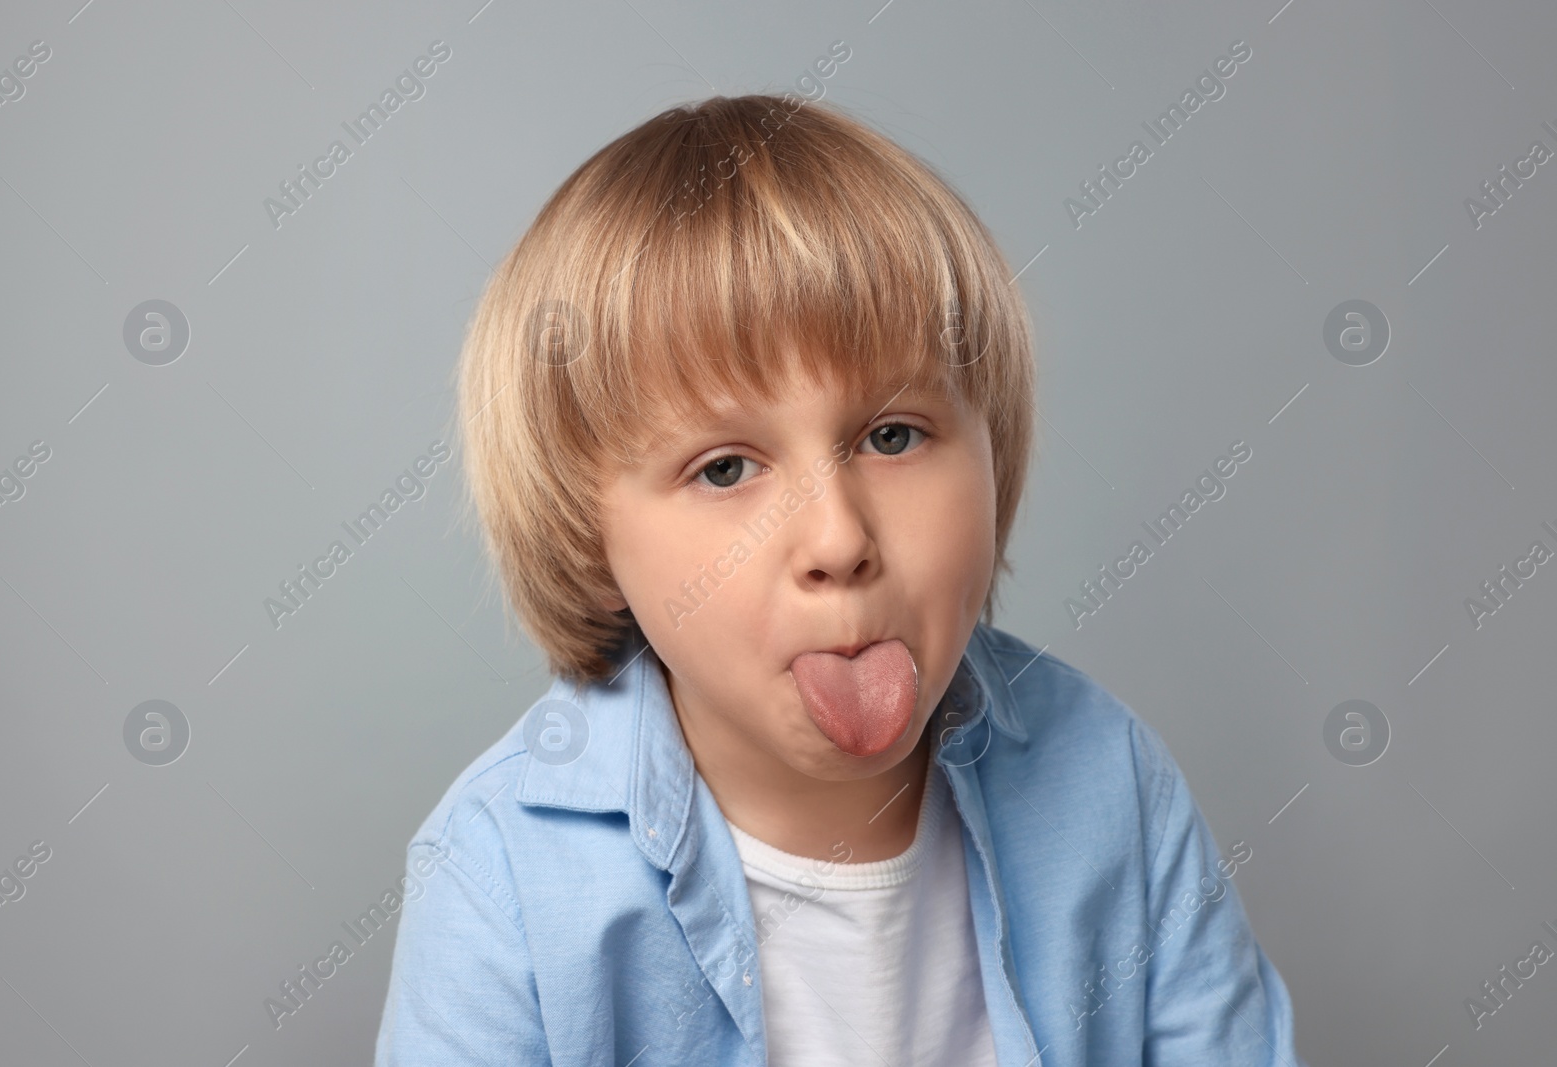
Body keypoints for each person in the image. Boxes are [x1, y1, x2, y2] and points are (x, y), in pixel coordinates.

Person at [374, 91, 1303, 1066]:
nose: (837, 537)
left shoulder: (1110, 780)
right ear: (589, 544)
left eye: (892, 435)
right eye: (725, 467)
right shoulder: (501, 875)